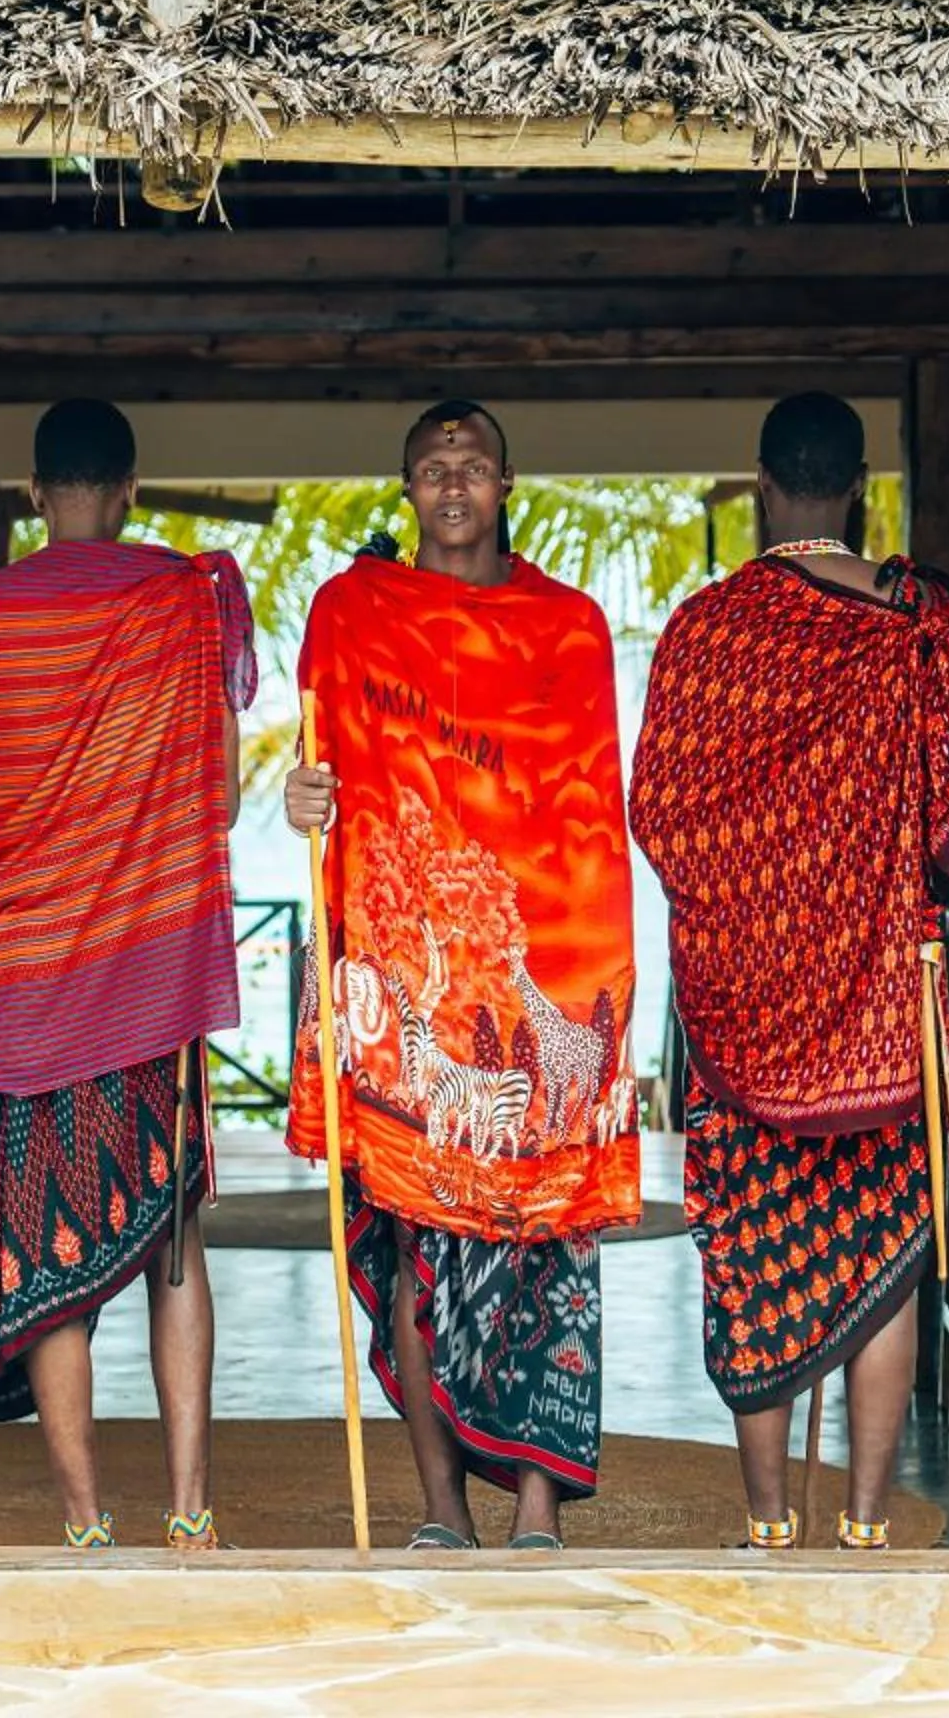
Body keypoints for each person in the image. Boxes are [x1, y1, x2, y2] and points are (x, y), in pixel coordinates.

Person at [281, 400, 640, 1552]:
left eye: (472, 464)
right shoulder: (354, 614)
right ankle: (442, 1508)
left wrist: (594, 1009)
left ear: (506, 484)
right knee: (412, 1251)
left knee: (546, 1253)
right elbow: (322, 766)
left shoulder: (569, 627)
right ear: (406, 489)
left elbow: (594, 827)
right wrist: (302, 798)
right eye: (432, 466)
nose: (451, 481)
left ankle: (536, 1507)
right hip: (404, 991)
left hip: (543, 984)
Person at [628, 392, 949, 1552]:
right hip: (883, 1011)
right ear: (862, 488)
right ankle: (869, 1525)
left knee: (753, 1257)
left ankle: (771, 1520)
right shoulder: (917, 623)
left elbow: (660, 811)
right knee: (884, 1265)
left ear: (761, 486)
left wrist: (757, 902)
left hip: (744, 1012)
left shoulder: (708, 630)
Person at [0, 399, 255, 1553]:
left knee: (45, 1251)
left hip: (16, 986)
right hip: (142, 982)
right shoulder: (181, 598)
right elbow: (218, 799)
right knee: (173, 1243)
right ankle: (191, 1511)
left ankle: (83, 1521)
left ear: (34, 492)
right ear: (129, 489)